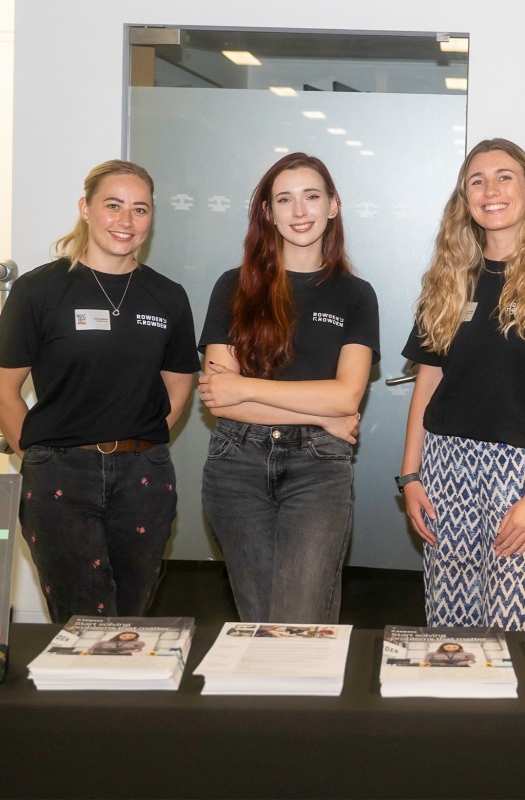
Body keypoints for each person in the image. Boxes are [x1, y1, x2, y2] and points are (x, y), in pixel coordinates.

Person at [399, 138, 525, 632]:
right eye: (477, 180)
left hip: (523, 474)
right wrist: (410, 477)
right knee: (448, 625)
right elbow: (427, 383)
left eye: (504, 177)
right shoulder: (450, 279)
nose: (490, 190)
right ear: (465, 198)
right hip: (445, 465)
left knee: (512, 625)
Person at [0, 159, 199, 623]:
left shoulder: (167, 296)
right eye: (113, 205)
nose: (126, 221)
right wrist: (39, 458)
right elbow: (3, 390)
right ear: (86, 208)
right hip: (62, 477)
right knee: (82, 621)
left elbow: (181, 383)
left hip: (144, 477)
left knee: (130, 619)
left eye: (140, 210)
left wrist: (139, 437)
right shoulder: (38, 291)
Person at [198, 152, 380, 624]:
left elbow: (346, 397)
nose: (300, 212)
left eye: (312, 197)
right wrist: (320, 413)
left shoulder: (356, 295)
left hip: (318, 469)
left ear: (333, 205)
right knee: (258, 623)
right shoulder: (232, 286)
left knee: (300, 621)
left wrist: (247, 387)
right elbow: (221, 400)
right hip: (236, 466)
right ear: (267, 212)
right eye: (285, 199)